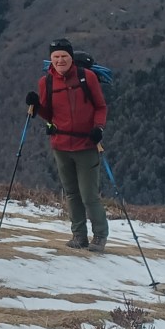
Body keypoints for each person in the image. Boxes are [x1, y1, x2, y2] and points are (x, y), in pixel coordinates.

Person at [27, 38, 110, 252]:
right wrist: (36, 106)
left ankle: (100, 236)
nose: (60, 60)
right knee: (72, 192)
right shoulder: (45, 82)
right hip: (61, 145)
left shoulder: (87, 77)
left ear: (71, 58)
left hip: (86, 144)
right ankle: (79, 236)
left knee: (88, 194)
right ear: (51, 59)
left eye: (64, 56)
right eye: (56, 57)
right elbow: (48, 112)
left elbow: (100, 107)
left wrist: (98, 128)